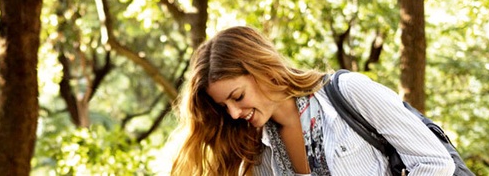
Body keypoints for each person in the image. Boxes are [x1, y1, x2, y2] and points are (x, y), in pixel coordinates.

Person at [169, 26, 455, 176]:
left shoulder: (348, 93)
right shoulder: (259, 152)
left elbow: (434, 162)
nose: (232, 113)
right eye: (223, 107)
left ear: (263, 70)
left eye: (237, 96)